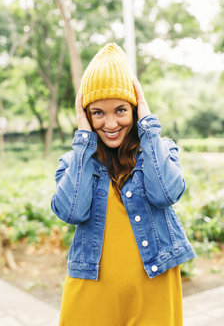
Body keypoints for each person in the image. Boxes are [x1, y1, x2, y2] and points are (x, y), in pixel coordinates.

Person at [51, 43, 196, 326]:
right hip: (92, 287)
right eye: (97, 113)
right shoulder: (74, 163)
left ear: (134, 108)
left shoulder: (160, 150)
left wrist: (147, 122)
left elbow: (166, 193)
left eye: (120, 110)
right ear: (87, 115)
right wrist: (83, 136)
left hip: (154, 283)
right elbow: (71, 212)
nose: (111, 123)